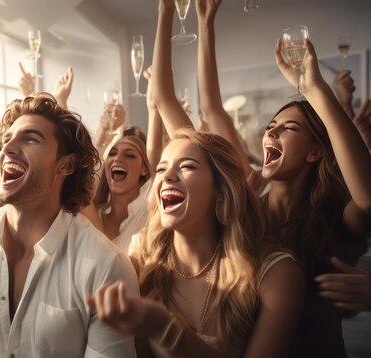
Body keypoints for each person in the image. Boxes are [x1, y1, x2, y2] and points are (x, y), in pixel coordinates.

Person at [154, 0, 371, 355]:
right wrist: (206, 24)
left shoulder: (335, 220)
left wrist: (314, 87)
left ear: (315, 152)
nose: (271, 135)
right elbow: (207, 107)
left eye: (287, 129)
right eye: (270, 129)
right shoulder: (249, 202)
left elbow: (368, 198)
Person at [0, 93, 139, 357]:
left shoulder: (106, 266)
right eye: (6, 140)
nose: (8, 149)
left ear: (66, 164)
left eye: (30, 139)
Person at [89, 129, 304, 357]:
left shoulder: (276, 272)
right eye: (161, 169)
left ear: (221, 191)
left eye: (186, 166)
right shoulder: (141, 257)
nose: (167, 176)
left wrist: (166, 329)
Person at [82, 125, 153, 253]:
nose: (118, 158)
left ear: (144, 169)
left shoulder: (148, 214)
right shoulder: (92, 212)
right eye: (112, 153)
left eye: (130, 155)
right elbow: (80, 181)